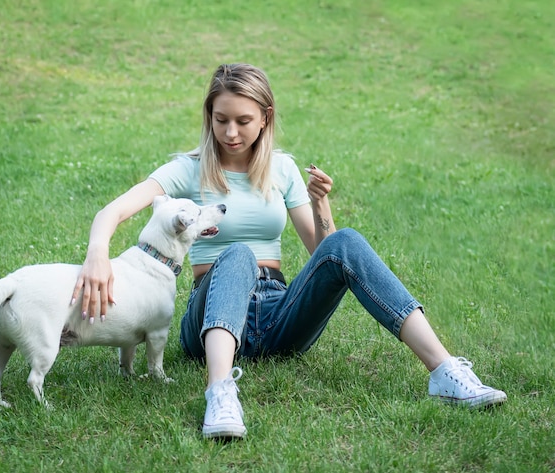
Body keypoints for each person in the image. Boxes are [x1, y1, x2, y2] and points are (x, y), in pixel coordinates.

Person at [72, 63, 506, 440]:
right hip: (211, 316)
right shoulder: (187, 168)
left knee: (347, 240)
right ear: (209, 117)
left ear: (265, 118)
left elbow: (327, 255)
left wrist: (321, 205)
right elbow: (114, 210)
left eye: (243, 120)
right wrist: (97, 254)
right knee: (238, 252)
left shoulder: (282, 169)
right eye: (221, 119)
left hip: (279, 315)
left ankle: (445, 372)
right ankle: (220, 395)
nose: (230, 132)